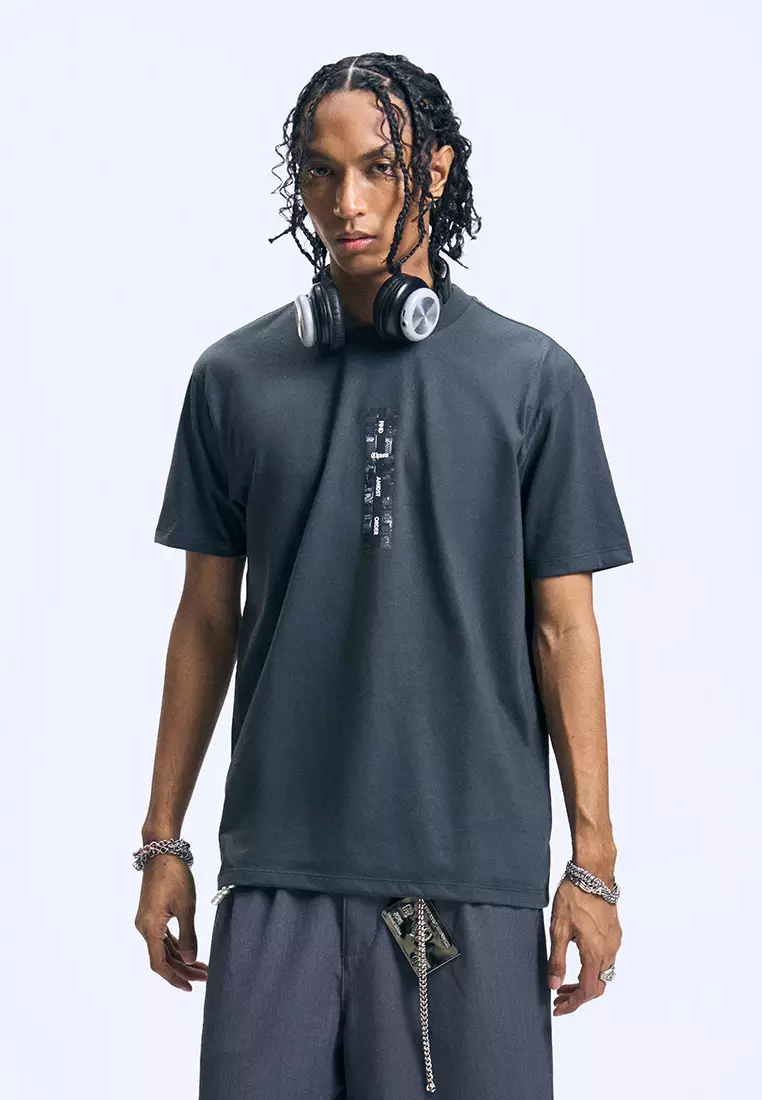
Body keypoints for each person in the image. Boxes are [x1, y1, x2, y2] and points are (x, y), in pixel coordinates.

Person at [134, 51, 634, 1100]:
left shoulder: (533, 381)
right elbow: (205, 620)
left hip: (468, 878)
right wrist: (162, 839)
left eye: (378, 168)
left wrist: (592, 864)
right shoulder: (232, 379)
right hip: (278, 871)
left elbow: (565, 631)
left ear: (436, 172)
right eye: (321, 173)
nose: (346, 204)